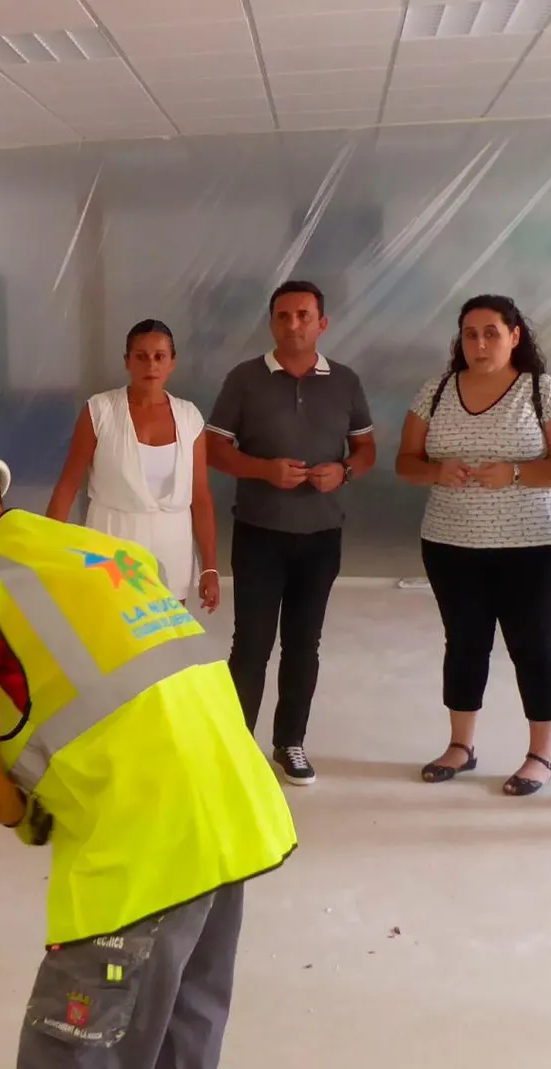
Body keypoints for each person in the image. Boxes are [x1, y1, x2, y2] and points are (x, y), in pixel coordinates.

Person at [0, 420, 297, 1069]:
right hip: (233, 815)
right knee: (184, 1030)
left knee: (70, 1052)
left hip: (141, 851)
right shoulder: (91, 547)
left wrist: (26, 813)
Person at [394, 295, 551, 795]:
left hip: (539, 544)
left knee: (532, 644)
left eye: (491, 333)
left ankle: (541, 755)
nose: (479, 344)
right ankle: (461, 747)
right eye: (470, 334)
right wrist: (437, 471)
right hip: (451, 542)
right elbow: (405, 462)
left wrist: (517, 473)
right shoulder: (435, 392)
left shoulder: (543, 391)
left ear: (515, 335)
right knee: (464, 642)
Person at [204, 280, 376, 786]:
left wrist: (343, 472)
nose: (293, 324)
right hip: (260, 531)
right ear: (272, 324)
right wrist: (263, 470)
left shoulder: (345, 382)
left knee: (305, 643)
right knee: (251, 642)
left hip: (322, 535)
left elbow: (366, 451)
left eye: (304, 315)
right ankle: (236, 745)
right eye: (283, 316)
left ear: (322, 323)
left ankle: (290, 743)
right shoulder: (244, 379)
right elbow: (214, 449)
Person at [46, 318, 220, 611]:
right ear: (127, 361)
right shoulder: (99, 411)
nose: (151, 364)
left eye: (159, 356)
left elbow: (200, 497)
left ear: (172, 363)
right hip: (111, 547)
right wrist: (46, 553)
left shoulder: (190, 418)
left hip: (172, 549)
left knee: (164, 641)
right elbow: (68, 485)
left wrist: (210, 568)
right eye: (141, 356)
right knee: (110, 642)